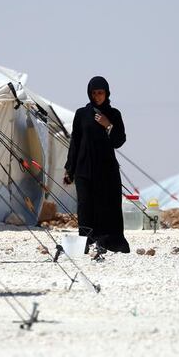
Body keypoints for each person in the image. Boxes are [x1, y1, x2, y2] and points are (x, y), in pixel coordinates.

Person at [63, 76, 131, 253]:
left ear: (107, 93)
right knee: (85, 206)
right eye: (94, 93)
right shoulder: (81, 114)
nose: (97, 96)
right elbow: (75, 142)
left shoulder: (114, 114)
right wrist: (69, 168)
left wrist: (108, 125)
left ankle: (109, 242)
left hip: (106, 170)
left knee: (108, 205)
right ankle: (87, 243)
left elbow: (119, 141)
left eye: (100, 93)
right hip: (84, 169)